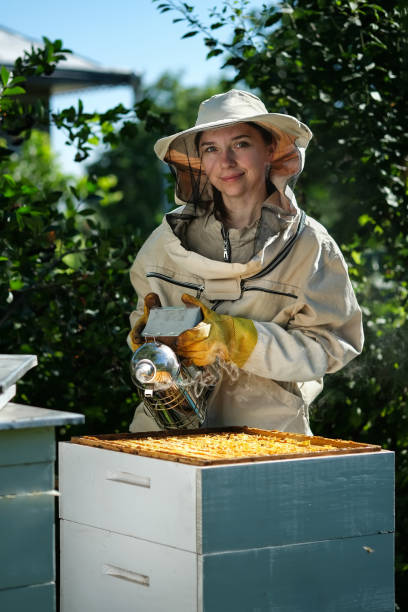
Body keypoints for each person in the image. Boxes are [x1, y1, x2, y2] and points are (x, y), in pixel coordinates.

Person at [127, 89, 363, 435]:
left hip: (267, 434)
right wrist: (146, 335)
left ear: (270, 149)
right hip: (167, 429)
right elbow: (140, 320)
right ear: (199, 161)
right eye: (211, 149)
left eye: (240, 144)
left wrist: (238, 339)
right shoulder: (161, 246)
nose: (226, 162)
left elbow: (333, 346)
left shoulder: (311, 247)